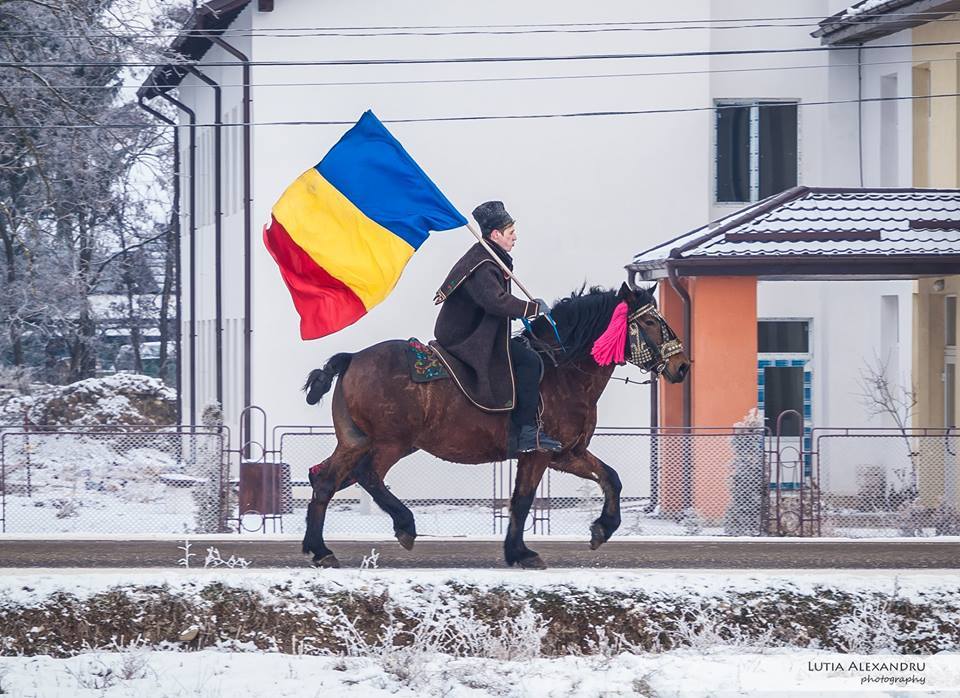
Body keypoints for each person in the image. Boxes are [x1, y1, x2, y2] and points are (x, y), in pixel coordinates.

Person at [430, 201, 563, 456]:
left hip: (476, 331)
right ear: (495, 235)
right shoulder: (483, 264)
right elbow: (495, 302)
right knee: (529, 361)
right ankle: (525, 432)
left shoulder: (487, 258)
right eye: (511, 233)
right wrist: (532, 310)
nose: (515, 238)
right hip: (467, 337)